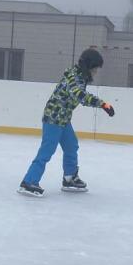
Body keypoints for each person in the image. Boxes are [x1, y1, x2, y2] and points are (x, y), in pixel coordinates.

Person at [17, 47, 116, 197]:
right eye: (94, 68)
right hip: (53, 118)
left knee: (71, 146)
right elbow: (79, 95)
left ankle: (69, 178)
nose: (95, 72)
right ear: (87, 66)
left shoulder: (80, 76)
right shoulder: (74, 78)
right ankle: (28, 182)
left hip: (63, 118)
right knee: (47, 151)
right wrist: (102, 104)